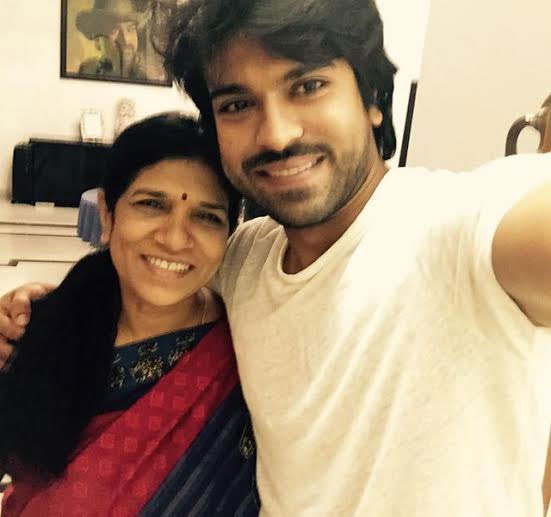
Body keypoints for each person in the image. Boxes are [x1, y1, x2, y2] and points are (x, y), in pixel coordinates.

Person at [2, 0, 551, 515]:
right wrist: (39, 312)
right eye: (237, 104)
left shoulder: (461, 226)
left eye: (307, 85)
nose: (277, 134)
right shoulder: (243, 257)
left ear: (372, 99)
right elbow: (154, 275)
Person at [0, 113, 258, 516]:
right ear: (107, 214)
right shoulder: (42, 329)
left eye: (207, 216)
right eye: (152, 204)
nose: (175, 239)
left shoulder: (247, 345)